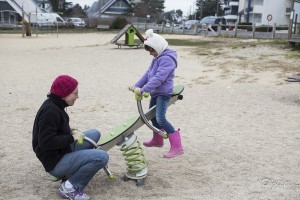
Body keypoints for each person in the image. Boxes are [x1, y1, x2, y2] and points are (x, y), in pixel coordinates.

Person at [32, 75, 109, 200]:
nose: (78, 96)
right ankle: (70, 188)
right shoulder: (50, 111)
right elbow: (46, 142)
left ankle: (71, 170)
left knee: (95, 133)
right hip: (55, 162)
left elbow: (54, 130)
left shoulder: (55, 105)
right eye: (75, 93)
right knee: (101, 156)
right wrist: (71, 138)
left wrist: (68, 130)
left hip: (61, 151)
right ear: (64, 93)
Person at [129, 29, 184, 158]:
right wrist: (137, 85)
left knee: (160, 118)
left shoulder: (167, 60)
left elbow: (159, 78)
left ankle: (177, 146)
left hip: (163, 93)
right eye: (149, 51)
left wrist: (144, 90)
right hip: (155, 92)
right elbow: (148, 74)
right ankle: (158, 140)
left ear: (158, 47)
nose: (151, 54)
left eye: (152, 50)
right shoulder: (157, 57)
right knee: (152, 117)